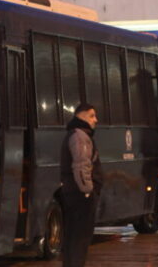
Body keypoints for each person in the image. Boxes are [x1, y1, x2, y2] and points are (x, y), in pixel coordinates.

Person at [60, 103, 103, 267]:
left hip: (75, 194)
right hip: (81, 196)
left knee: (74, 237)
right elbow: (81, 166)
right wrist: (88, 191)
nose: (95, 120)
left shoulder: (78, 134)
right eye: (92, 116)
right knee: (80, 238)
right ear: (81, 116)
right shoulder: (80, 137)